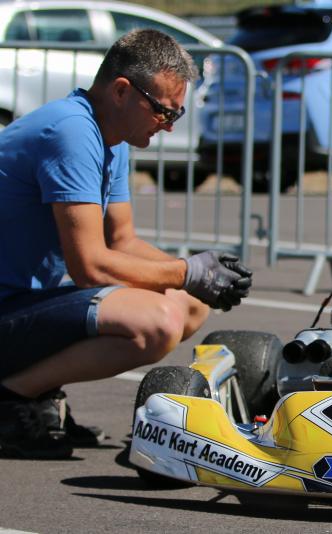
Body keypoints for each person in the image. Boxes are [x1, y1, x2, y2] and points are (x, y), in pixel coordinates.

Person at [0, 29, 252, 459]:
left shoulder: (109, 137)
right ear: (121, 91)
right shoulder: (71, 132)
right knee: (156, 322)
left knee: (189, 303)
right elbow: (91, 268)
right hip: (10, 306)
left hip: (17, 302)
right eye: (162, 111)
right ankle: (11, 399)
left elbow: (122, 242)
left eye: (177, 114)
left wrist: (201, 274)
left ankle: (36, 392)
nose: (168, 124)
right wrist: (186, 272)